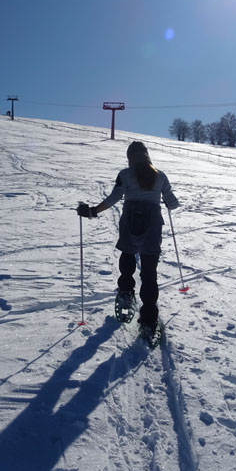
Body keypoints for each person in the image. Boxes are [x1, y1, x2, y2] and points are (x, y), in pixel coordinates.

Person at [77, 141, 179, 339]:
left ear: (130, 157)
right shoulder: (160, 175)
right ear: (147, 155)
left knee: (128, 255)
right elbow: (173, 204)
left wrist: (92, 211)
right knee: (149, 273)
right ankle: (149, 321)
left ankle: (125, 293)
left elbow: (113, 198)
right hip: (152, 226)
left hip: (129, 221)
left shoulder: (125, 174)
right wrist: (167, 200)